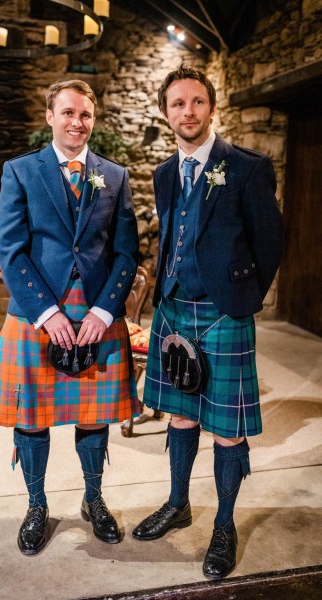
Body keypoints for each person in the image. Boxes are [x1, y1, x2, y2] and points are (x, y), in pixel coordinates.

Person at [132, 64, 284, 580]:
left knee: (226, 431)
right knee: (179, 418)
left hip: (224, 312)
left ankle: (224, 522)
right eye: (177, 103)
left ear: (211, 108)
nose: (188, 111)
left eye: (197, 101)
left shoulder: (245, 167)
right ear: (165, 112)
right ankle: (177, 504)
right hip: (174, 309)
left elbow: (270, 243)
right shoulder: (162, 173)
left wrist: (241, 298)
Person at [0, 79, 140, 555]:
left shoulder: (114, 175)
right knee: (31, 418)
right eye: (68, 112)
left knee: (94, 418)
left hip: (95, 311)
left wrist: (103, 309)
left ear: (94, 120)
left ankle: (94, 499)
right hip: (38, 312)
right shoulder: (21, 171)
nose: (77, 122)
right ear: (49, 116)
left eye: (86, 115)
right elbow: (10, 250)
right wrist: (47, 312)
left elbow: (126, 251)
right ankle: (36, 505)